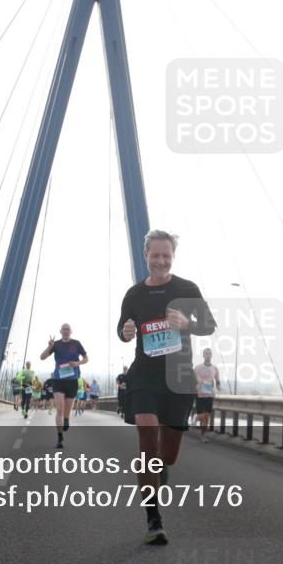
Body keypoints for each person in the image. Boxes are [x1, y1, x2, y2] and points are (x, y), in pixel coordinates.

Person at [118, 230, 216, 545]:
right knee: (147, 435)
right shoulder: (134, 294)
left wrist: (187, 324)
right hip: (144, 375)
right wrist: (126, 331)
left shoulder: (187, 289)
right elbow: (122, 328)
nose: (160, 261)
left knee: (167, 456)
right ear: (145, 255)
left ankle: (161, 469)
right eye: (155, 255)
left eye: (166, 256)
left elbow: (209, 325)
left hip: (178, 379)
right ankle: (153, 519)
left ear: (172, 257)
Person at [39, 323, 88, 448]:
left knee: (67, 410)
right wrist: (48, 346)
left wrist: (77, 363)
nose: (66, 331)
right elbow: (42, 357)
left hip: (72, 381)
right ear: (60, 331)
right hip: (58, 380)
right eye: (64, 329)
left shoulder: (76, 343)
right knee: (59, 408)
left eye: (68, 329)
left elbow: (86, 358)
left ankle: (66, 419)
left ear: (71, 331)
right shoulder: (55, 344)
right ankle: (59, 438)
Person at [193, 348, 220, 442]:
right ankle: (196, 417)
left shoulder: (215, 368)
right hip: (199, 395)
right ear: (203, 355)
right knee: (201, 416)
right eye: (206, 353)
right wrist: (195, 386)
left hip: (209, 395)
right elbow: (192, 380)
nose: (208, 355)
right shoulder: (197, 368)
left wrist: (219, 386)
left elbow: (217, 380)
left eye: (209, 354)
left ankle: (202, 436)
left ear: (211, 356)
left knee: (207, 417)